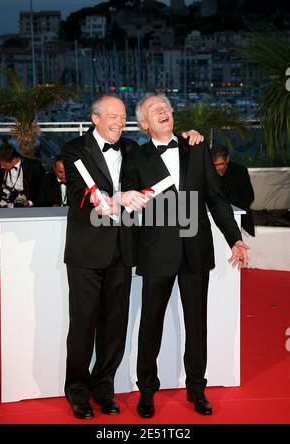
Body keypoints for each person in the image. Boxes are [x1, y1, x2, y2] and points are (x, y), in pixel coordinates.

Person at [61, 93, 203, 419]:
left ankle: (104, 388)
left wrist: (188, 136)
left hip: (124, 250)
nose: (119, 122)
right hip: (86, 252)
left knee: (115, 326)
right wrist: (113, 198)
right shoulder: (74, 150)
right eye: (112, 116)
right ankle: (78, 393)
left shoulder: (129, 149)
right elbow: (81, 193)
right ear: (94, 118)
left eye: (123, 116)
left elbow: (162, 148)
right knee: (83, 327)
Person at [123, 95, 249, 418]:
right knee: (150, 325)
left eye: (166, 107)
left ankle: (197, 389)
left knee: (197, 325)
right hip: (156, 252)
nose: (163, 112)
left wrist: (234, 238)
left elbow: (215, 198)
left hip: (195, 250)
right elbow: (128, 202)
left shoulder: (196, 148)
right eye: (155, 110)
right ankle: (147, 391)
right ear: (145, 124)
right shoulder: (136, 157)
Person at [210, 145, 255, 237]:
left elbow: (249, 196)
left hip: (239, 220)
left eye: (221, 164)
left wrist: (231, 211)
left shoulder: (240, 171)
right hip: (214, 220)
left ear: (227, 159)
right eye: (214, 165)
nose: (217, 168)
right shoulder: (208, 172)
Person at [0, 143, 44, 209]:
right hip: (2, 203)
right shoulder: (2, 162)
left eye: (4, 165)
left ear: (13, 160)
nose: (1, 167)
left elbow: (41, 189)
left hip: (24, 204)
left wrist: (29, 202)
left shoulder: (34, 167)